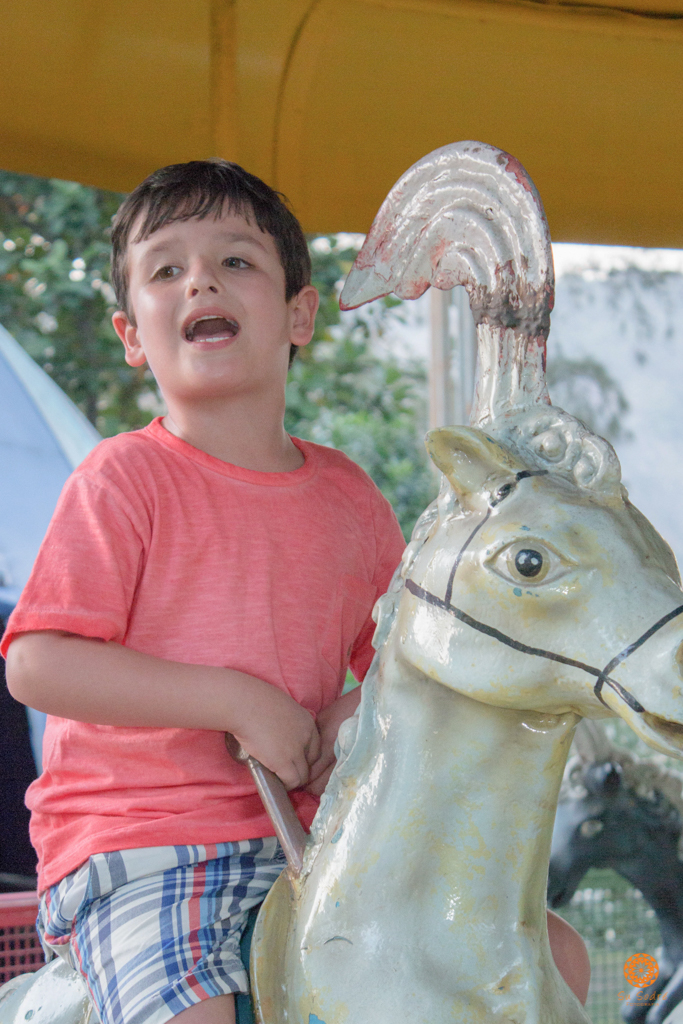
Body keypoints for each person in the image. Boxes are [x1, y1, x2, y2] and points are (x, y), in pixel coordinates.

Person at [3, 159, 589, 1024]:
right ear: (133, 335)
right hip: (150, 846)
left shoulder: (348, 499)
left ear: (298, 314)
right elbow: (40, 666)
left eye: (235, 261)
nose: (199, 277)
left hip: (320, 840)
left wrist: (344, 717)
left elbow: (403, 665)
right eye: (167, 269)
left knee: (549, 959)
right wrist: (237, 701)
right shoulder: (122, 479)